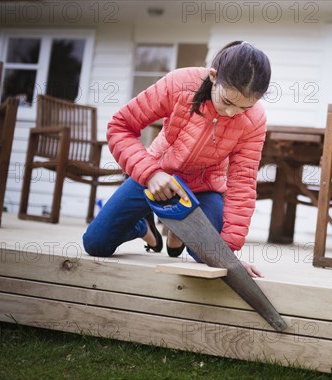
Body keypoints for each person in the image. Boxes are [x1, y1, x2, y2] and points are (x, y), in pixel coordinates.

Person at [82, 41, 271, 278]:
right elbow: (120, 127)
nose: (232, 113)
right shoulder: (180, 83)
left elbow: (242, 182)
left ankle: (178, 228)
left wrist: (228, 255)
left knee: (209, 257)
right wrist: (151, 173)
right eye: (228, 102)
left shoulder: (254, 120)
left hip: (204, 187)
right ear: (214, 76)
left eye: (244, 107)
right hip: (155, 176)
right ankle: (142, 226)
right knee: (95, 244)